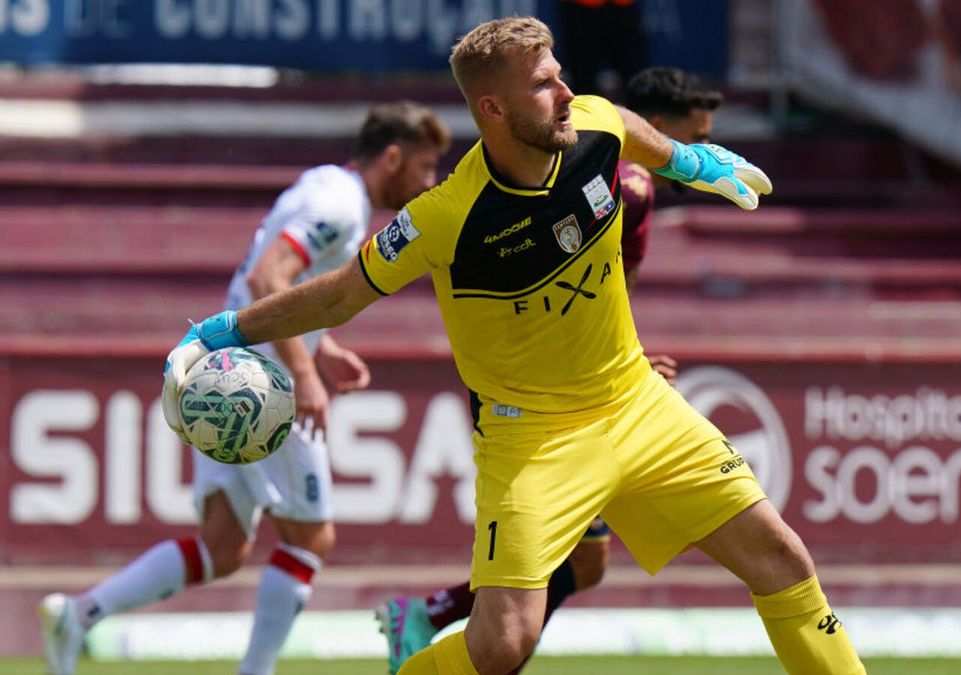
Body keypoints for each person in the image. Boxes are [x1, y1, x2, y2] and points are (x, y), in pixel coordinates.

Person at [161, 16, 862, 675]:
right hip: (533, 440)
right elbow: (341, 293)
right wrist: (222, 329)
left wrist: (689, 159)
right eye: (542, 85)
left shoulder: (588, 122)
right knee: (501, 645)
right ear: (492, 109)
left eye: (559, 76)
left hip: (639, 404)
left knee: (782, 556)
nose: (565, 94)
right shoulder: (443, 218)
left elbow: (620, 122)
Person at [36, 102, 451, 675]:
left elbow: (272, 282)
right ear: (393, 157)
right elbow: (266, 278)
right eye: (426, 167)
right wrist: (303, 374)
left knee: (223, 547)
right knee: (311, 537)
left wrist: (321, 349)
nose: (429, 183)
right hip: (259, 386)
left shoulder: (324, 189)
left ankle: (80, 614)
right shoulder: (339, 204)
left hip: (230, 368)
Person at [373, 66, 724, 673]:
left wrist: (626, 359)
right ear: (659, 129)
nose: (697, 151)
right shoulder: (629, 184)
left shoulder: (604, 169)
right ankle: (432, 618)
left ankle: (432, 614)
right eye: (694, 136)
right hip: (542, 403)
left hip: (574, 385)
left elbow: (599, 288)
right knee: (539, 580)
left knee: (583, 565)